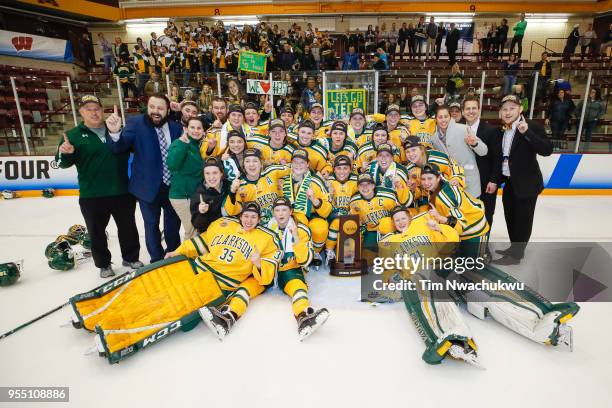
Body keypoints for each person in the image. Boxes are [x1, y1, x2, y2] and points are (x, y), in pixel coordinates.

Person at [165, 202, 282, 340]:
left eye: (253, 217)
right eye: (246, 216)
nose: (248, 221)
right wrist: (176, 252)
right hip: (198, 269)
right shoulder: (224, 224)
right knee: (167, 289)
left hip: (220, 283)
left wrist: (258, 263)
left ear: (259, 219)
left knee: (183, 310)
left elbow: (267, 276)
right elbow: (201, 243)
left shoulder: (267, 238)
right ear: (240, 216)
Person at [55, 95, 141, 278]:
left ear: (102, 110)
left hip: (122, 190)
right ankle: (103, 264)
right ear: (81, 112)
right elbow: (61, 163)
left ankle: (131, 257)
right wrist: (66, 154)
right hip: (92, 195)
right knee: (96, 232)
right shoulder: (72, 136)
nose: (94, 112)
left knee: (128, 227)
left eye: (97, 108)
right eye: (89, 109)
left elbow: (135, 149)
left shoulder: (117, 130)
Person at [107, 93, 183, 263]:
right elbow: (120, 148)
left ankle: (174, 255)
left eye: (160, 108)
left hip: (172, 187)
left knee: (172, 226)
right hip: (147, 187)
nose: (156, 111)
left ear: (168, 110)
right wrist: (114, 133)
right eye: (152, 107)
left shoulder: (176, 128)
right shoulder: (135, 123)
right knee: (151, 225)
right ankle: (156, 259)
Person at [493, 95, 553, 265]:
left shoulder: (532, 126)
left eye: (512, 108)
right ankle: (514, 248)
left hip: (527, 183)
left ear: (520, 109)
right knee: (510, 217)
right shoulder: (502, 129)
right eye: (504, 109)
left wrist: (527, 132)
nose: (508, 112)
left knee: (523, 221)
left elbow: (547, 149)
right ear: (500, 112)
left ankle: (516, 256)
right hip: (510, 182)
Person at [266, 197, 329, 340]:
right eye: (277, 210)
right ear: (273, 213)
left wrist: (295, 237)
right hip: (270, 269)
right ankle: (229, 312)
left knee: (298, 289)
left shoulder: (302, 230)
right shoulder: (268, 228)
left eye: (284, 210)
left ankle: (304, 316)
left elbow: (305, 260)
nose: (280, 213)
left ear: (291, 211)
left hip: (291, 270)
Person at [431, 105, 488, 198]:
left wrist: (474, 144)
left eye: (446, 116)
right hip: (450, 184)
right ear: (436, 119)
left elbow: (484, 151)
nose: (443, 120)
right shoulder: (434, 139)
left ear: (450, 117)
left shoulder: (463, 129)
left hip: (469, 182)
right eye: (440, 117)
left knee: (472, 211)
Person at [461, 96, 500, 229]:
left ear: (479, 110)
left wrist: (494, 180)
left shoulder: (492, 130)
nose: (471, 111)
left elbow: (497, 158)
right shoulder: (457, 129)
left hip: (486, 182)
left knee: (486, 214)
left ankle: (483, 247)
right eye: (467, 108)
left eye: (474, 108)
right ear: (463, 112)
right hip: (464, 182)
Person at [167, 117, 205, 241]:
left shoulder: (198, 145)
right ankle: (190, 256)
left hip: (194, 195)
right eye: (192, 127)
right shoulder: (179, 143)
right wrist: (183, 145)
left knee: (193, 231)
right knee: (192, 230)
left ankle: (188, 255)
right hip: (182, 196)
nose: (196, 131)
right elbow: (172, 165)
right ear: (185, 129)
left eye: (199, 128)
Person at [190, 157, 236, 234]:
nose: (211, 177)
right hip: (211, 234)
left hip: (230, 231)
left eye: (215, 173)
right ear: (203, 175)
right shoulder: (199, 195)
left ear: (221, 173)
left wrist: (233, 193)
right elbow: (198, 225)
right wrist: (202, 213)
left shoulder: (229, 186)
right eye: (207, 173)